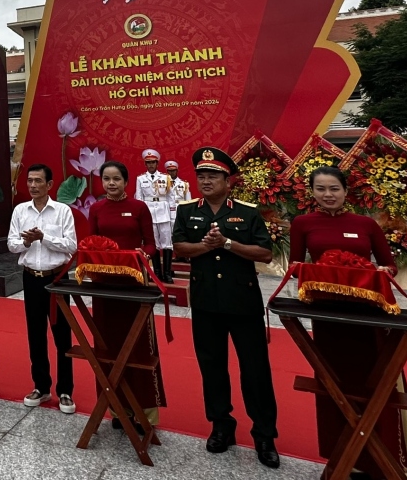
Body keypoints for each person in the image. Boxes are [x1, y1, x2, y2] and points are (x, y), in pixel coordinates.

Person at [288, 166, 407, 478]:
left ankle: (384, 459)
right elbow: (297, 267)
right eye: (321, 189)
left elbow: (388, 265)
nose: (328, 195)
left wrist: (373, 274)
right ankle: (345, 457)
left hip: (369, 318)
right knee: (336, 383)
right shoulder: (302, 223)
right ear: (312, 192)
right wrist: (325, 275)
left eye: (334, 188)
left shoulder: (366, 224)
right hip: (328, 318)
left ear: (346, 191)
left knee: (376, 383)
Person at [173, 147, 280, 469]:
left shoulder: (247, 213)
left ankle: (264, 435)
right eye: (201, 176)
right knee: (212, 366)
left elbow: (265, 254)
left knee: (255, 370)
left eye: (213, 176)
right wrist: (205, 245)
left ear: (227, 180)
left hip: (242, 302)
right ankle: (221, 426)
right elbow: (179, 247)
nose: (206, 181)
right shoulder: (187, 210)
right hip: (206, 301)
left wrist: (229, 244)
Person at [88, 160, 165, 429]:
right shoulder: (96, 209)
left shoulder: (138, 207)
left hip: (133, 283)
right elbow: (91, 242)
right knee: (108, 343)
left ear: (125, 181)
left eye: (116, 179)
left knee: (138, 344)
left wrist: (142, 255)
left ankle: (144, 410)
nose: (111, 184)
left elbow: (152, 245)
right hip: (104, 285)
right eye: (106, 179)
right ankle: (119, 410)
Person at [8, 163, 78, 414]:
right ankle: (41, 386)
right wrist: (26, 242)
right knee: (35, 333)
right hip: (31, 278)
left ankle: (65, 390)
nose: (33, 186)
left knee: (62, 335)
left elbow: (71, 246)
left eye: (38, 181)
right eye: (30, 181)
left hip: (56, 279)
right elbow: (11, 244)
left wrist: (43, 238)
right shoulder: (20, 210)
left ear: (49, 185)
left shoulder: (62, 211)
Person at [135, 149, 172, 284]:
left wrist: (172, 215)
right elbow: (139, 198)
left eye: (153, 162)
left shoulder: (165, 178)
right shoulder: (140, 179)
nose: (151, 165)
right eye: (148, 163)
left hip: (164, 211)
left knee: (167, 243)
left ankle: (167, 273)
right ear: (145, 164)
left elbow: (170, 197)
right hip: (149, 211)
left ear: (157, 163)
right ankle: (156, 272)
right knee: (154, 243)